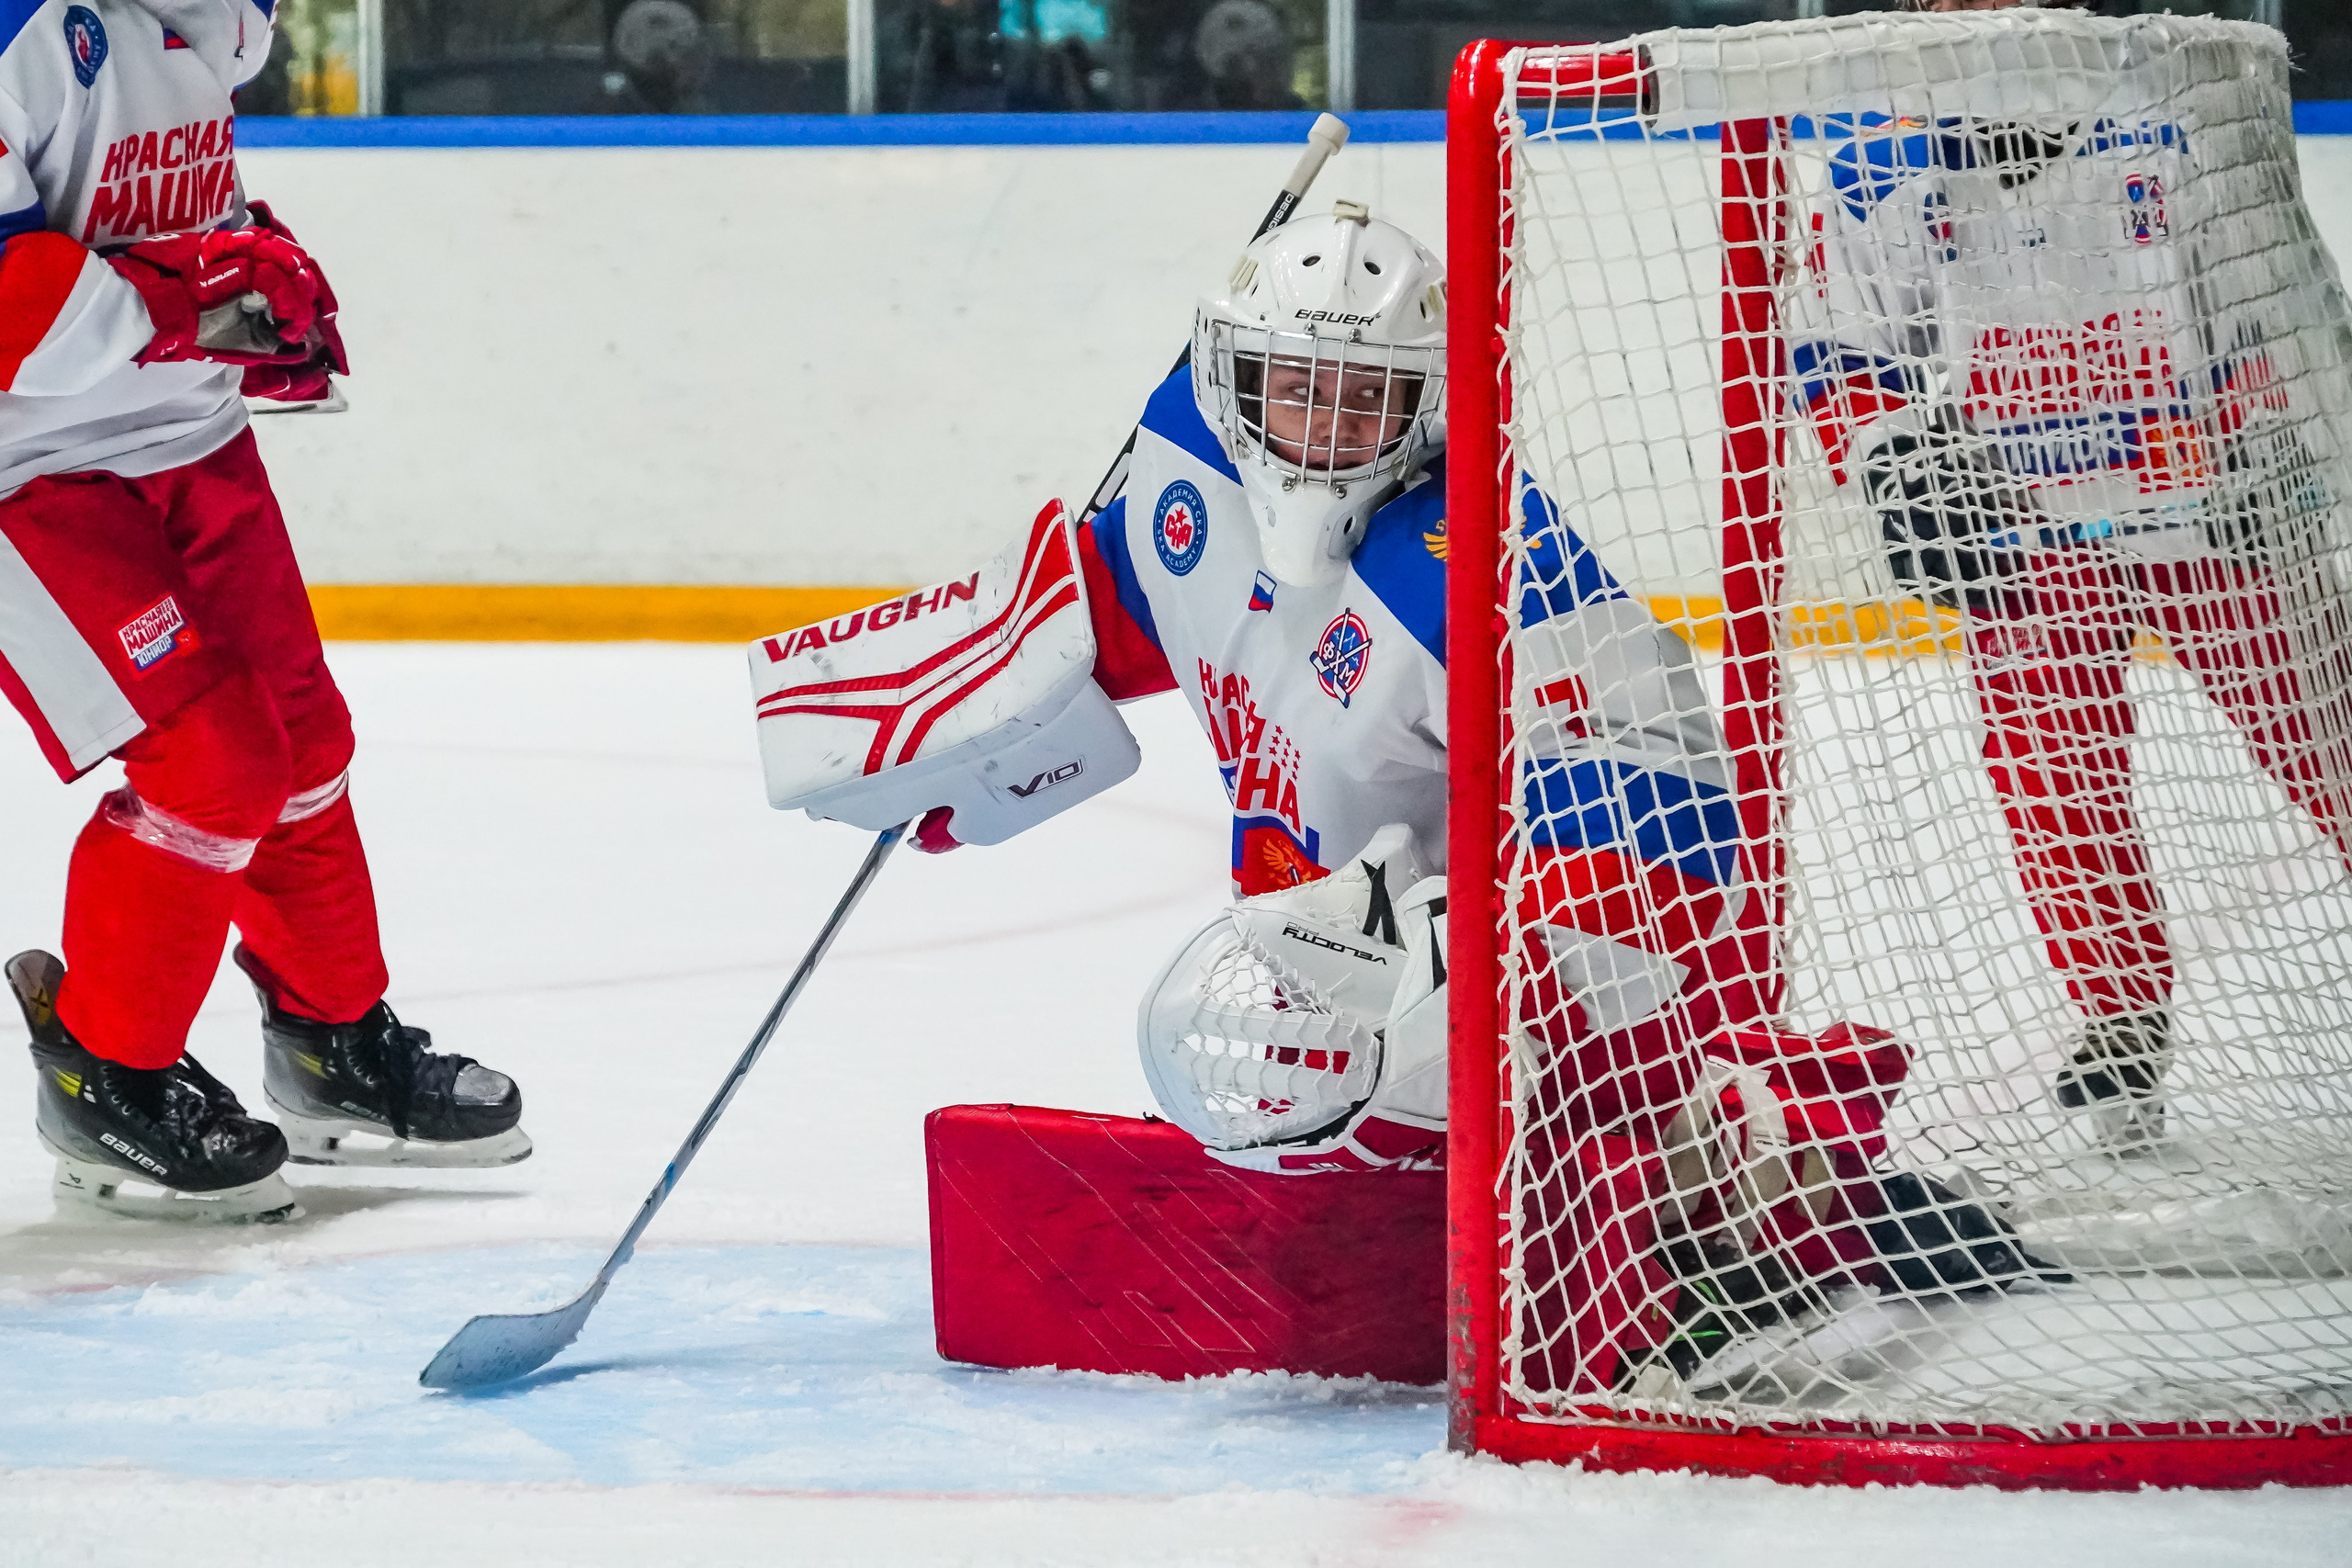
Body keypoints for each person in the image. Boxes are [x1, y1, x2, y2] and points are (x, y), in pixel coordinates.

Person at [754, 203, 2058, 1393]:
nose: (1319, 424)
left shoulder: (1483, 565)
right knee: (1289, 1099)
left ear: (1430, 403)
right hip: (1318, 953)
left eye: (1362, 397)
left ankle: (1762, 1183)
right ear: (1231, 373)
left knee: (1525, 1117)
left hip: (1510, 964)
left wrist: (1489, 955)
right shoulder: (1186, 470)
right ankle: (1638, 1166)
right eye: (1290, 386)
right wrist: (975, 701)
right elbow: (1150, 600)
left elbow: (1655, 811)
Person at [0, 0, 530, 1223]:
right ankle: (103, 1069)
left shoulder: (207, 14)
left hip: (190, 427)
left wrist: (254, 281)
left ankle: (334, 1044)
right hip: (32, 474)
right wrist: (194, 300)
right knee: (213, 762)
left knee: (302, 746)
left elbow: (158, 200)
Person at [1793, 0, 2352, 1148]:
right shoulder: (1875, 151)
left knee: (2328, 734)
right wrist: (1894, 460)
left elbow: (2273, 292)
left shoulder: (2175, 101)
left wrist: (2274, 448)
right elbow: (1838, 341)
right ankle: (2119, 1021)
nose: (1955, 16)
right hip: (2017, 521)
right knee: (2051, 783)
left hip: (2208, 503)